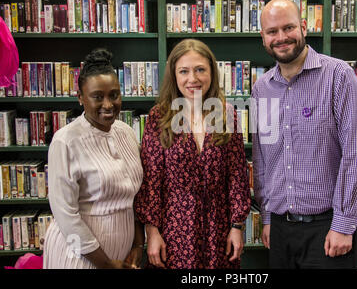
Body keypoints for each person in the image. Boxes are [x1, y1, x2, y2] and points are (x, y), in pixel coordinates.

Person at [252, 0, 357, 269]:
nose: (281, 37)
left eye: (288, 28)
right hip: (281, 230)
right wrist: (268, 217)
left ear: (304, 27)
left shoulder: (338, 76)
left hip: (329, 228)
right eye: (272, 31)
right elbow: (263, 157)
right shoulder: (261, 89)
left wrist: (344, 224)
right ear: (263, 37)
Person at [134, 39, 251, 269]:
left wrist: (237, 226)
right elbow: (152, 180)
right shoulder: (159, 117)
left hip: (219, 228)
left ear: (211, 72)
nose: (193, 79)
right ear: (174, 76)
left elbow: (237, 175)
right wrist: (152, 231)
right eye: (184, 71)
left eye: (200, 70)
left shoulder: (227, 115)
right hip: (174, 230)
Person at [43, 48, 144, 269]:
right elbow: (66, 216)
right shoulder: (65, 141)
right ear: (80, 98)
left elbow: (134, 198)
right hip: (78, 256)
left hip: (121, 256)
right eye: (97, 97)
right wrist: (106, 265)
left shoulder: (126, 132)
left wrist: (138, 244)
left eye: (114, 95)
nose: (108, 105)